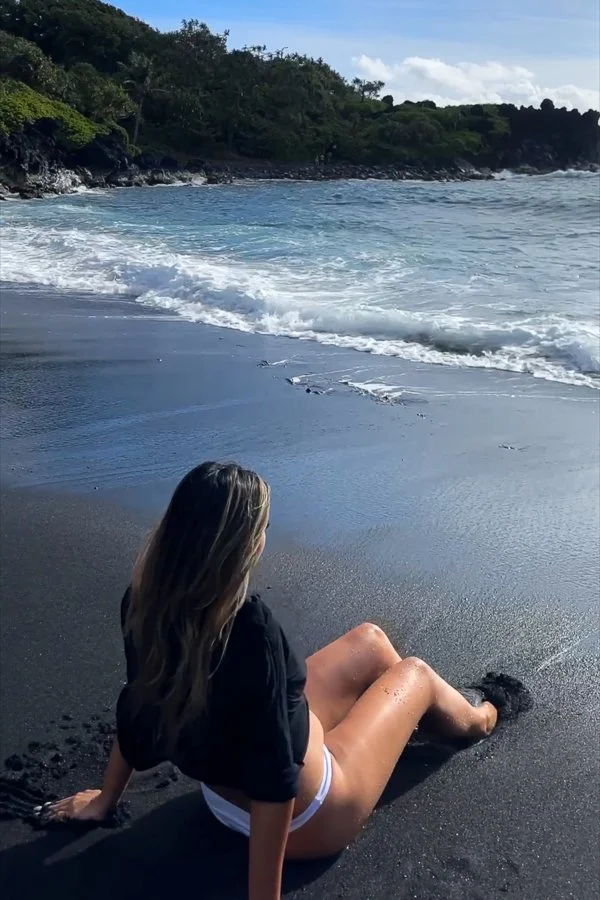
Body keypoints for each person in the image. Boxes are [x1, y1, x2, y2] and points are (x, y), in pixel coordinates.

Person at [41, 461, 502, 900]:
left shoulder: (144, 602)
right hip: (310, 817)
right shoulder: (251, 630)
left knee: (371, 641)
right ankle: (479, 717)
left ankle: (404, 728)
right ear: (246, 548)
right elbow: (275, 780)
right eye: (261, 530)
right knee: (415, 673)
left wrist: (105, 800)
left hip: (221, 795)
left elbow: (138, 704)